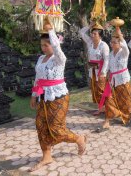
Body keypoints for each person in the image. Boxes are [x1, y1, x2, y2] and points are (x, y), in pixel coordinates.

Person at [29, 23, 86, 172]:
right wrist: (34, 95)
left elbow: (56, 47)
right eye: (42, 45)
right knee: (41, 126)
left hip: (58, 97)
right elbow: (38, 78)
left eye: (46, 45)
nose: (43, 48)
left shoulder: (59, 58)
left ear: (54, 44)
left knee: (57, 129)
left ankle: (78, 139)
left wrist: (50, 30)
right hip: (42, 96)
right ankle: (46, 156)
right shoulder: (41, 59)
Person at [98, 33, 131, 131]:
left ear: (119, 43)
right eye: (111, 42)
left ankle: (127, 116)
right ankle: (107, 120)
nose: (112, 44)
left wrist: (120, 35)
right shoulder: (110, 55)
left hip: (123, 79)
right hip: (112, 80)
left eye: (114, 42)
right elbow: (107, 65)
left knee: (125, 100)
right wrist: (103, 73)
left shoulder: (124, 52)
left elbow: (125, 46)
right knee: (109, 99)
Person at [79, 22, 109, 115]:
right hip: (92, 70)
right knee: (94, 89)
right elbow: (81, 32)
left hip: (100, 71)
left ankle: (105, 108)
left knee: (101, 89)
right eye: (92, 33)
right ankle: (100, 108)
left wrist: (103, 72)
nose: (92, 35)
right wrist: (89, 26)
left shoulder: (104, 45)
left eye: (95, 34)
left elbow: (107, 60)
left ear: (100, 36)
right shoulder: (90, 43)